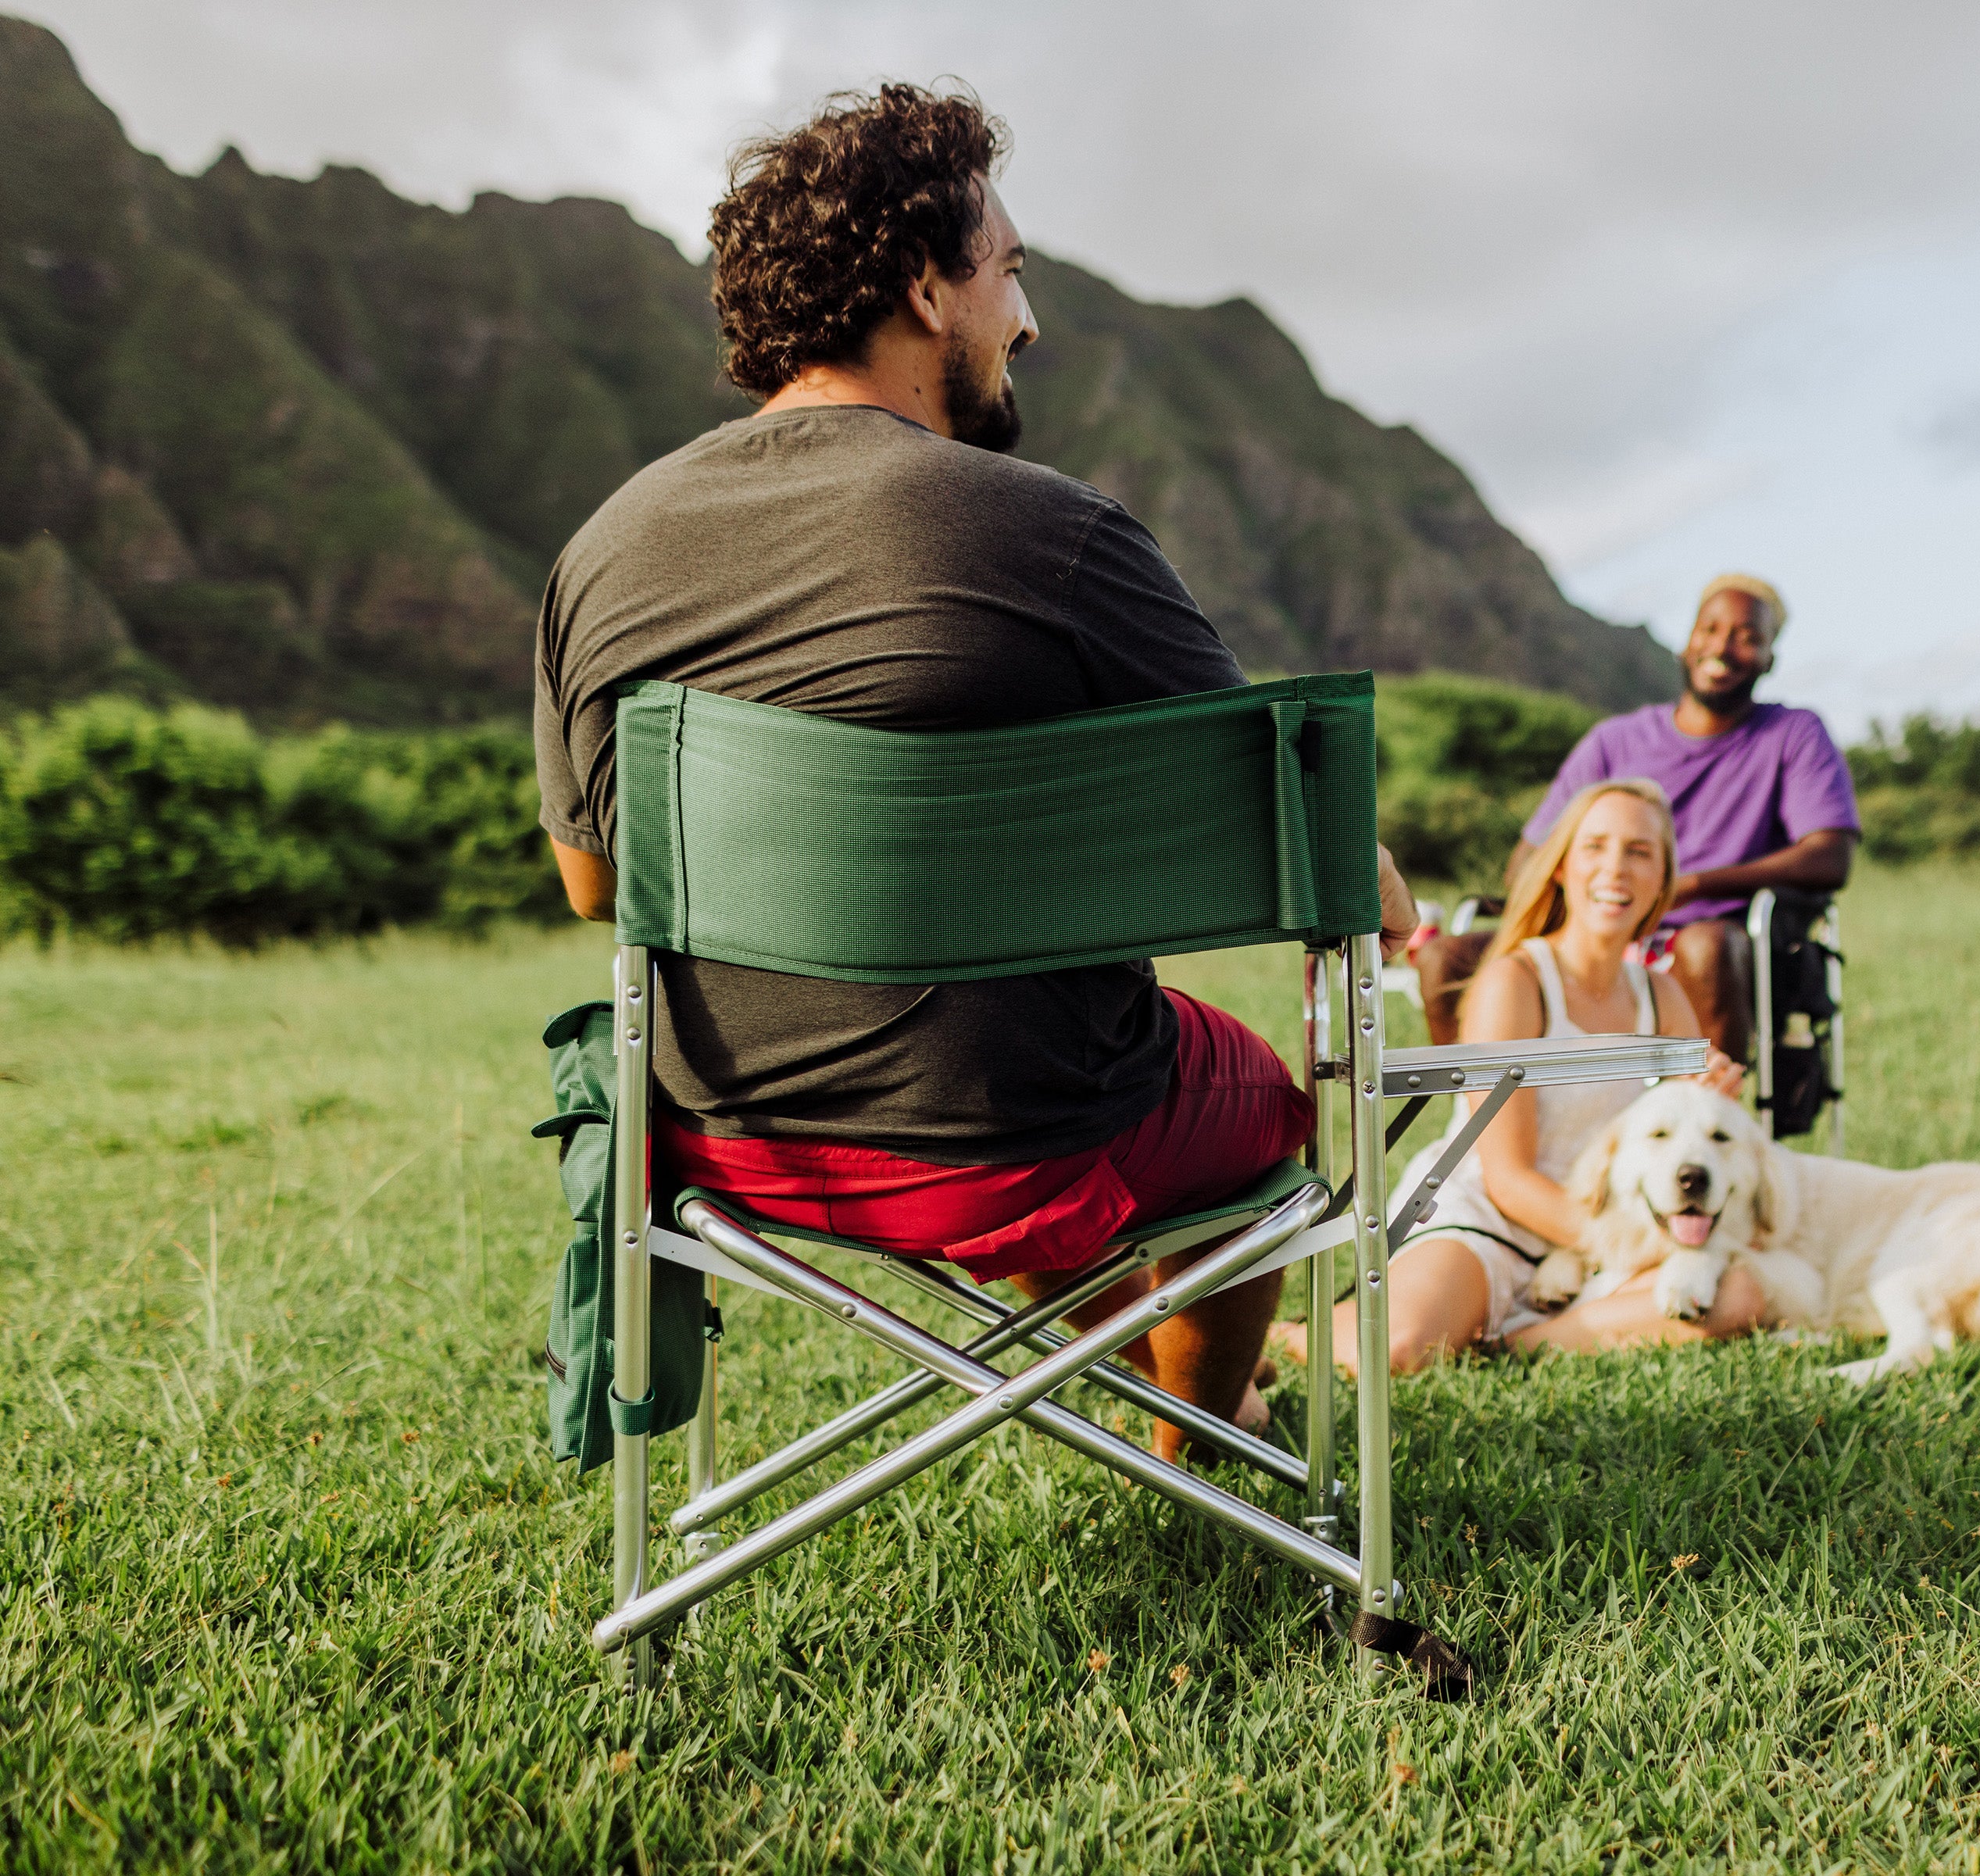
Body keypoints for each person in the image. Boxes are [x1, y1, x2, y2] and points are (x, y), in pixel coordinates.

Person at [531, 83, 1415, 1463]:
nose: (1029, 319)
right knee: (1244, 1102)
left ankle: (1172, 1398)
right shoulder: (1053, 533)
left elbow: (595, 884)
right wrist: (1392, 891)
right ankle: (1204, 1433)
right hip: (1011, 1139)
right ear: (925, 287)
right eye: (1009, 271)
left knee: (1051, 1072)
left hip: (725, 1138)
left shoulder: (602, 549)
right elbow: (1297, 836)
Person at [1276, 778, 1769, 1378]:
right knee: (1400, 1348)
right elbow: (1508, 1179)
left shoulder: (1662, 995)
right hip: (1492, 1218)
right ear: (1561, 866)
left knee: (1738, 1295)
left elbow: (1687, 1141)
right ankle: (1287, 1336)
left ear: (1663, 876)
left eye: (1640, 851)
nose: (1616, 867)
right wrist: (1627, 1246)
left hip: (1599, 1232)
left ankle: (1521, 1341)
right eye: (1595, 846)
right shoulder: (1515, 981)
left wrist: (1714, 1095)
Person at [1412, 574, 1858, 1064]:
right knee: (1445, 958)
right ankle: (1481, 1107)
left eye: (1748, 637)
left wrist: (1688, 886)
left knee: (1705, 947)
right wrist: (1593, 903)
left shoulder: (1793, 734)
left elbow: (1829, 857)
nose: (1722, 647)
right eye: (1710, 629)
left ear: (1769, 659)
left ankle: (1705, 1103)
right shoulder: (1614, 742)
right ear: (1687, 641)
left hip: (1711, 940)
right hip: (1593, 930)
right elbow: (1526, 865)